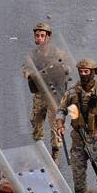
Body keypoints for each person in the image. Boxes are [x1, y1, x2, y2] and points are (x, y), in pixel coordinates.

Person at [55, 60, 97, 193]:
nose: (83, 74)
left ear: (93, 72)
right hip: (78, 139)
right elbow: (61, 110)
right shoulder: (72, 91)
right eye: (81, 71)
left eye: (86, 71)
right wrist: (60, 125)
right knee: (78, 179)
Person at [24, 21, 68, 161]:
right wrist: (31, 74)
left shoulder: (57, 53)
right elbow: (26, 70)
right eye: (37, 36)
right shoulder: (33, 55)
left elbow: (68, 69)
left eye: (42, 35)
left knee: (55, 124)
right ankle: (39, 149)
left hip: (54, 94)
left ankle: (55, 153)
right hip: (40, 93)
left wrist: (56, 70)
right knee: (36, 121)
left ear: (48, 37)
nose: (39, 38)